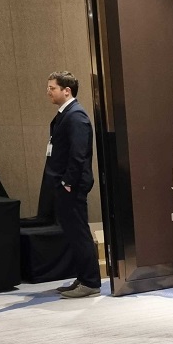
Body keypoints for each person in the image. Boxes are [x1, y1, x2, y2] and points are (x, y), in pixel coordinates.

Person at [44, 71, 102, 298]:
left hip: (71, 186)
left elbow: (79, 154)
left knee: (79, 234)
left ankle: (90, 282)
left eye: (52, 88)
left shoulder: (76, 116)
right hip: (66, 185)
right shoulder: (67, 114)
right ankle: (83, 277)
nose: (48, 92)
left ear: (67, 90)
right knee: (74, 233)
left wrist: (67, 182)